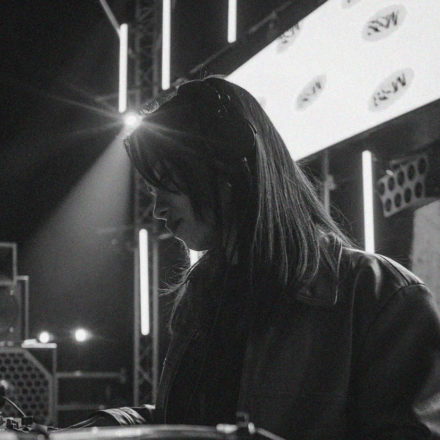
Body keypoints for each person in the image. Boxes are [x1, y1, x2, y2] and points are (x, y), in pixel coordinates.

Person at [76, 77, 440, 439]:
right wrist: (103, 428)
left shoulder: (383, 296)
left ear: (228, 167)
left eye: (166, 183)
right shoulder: (203, 293)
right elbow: (189, 419)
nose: (157, 209)